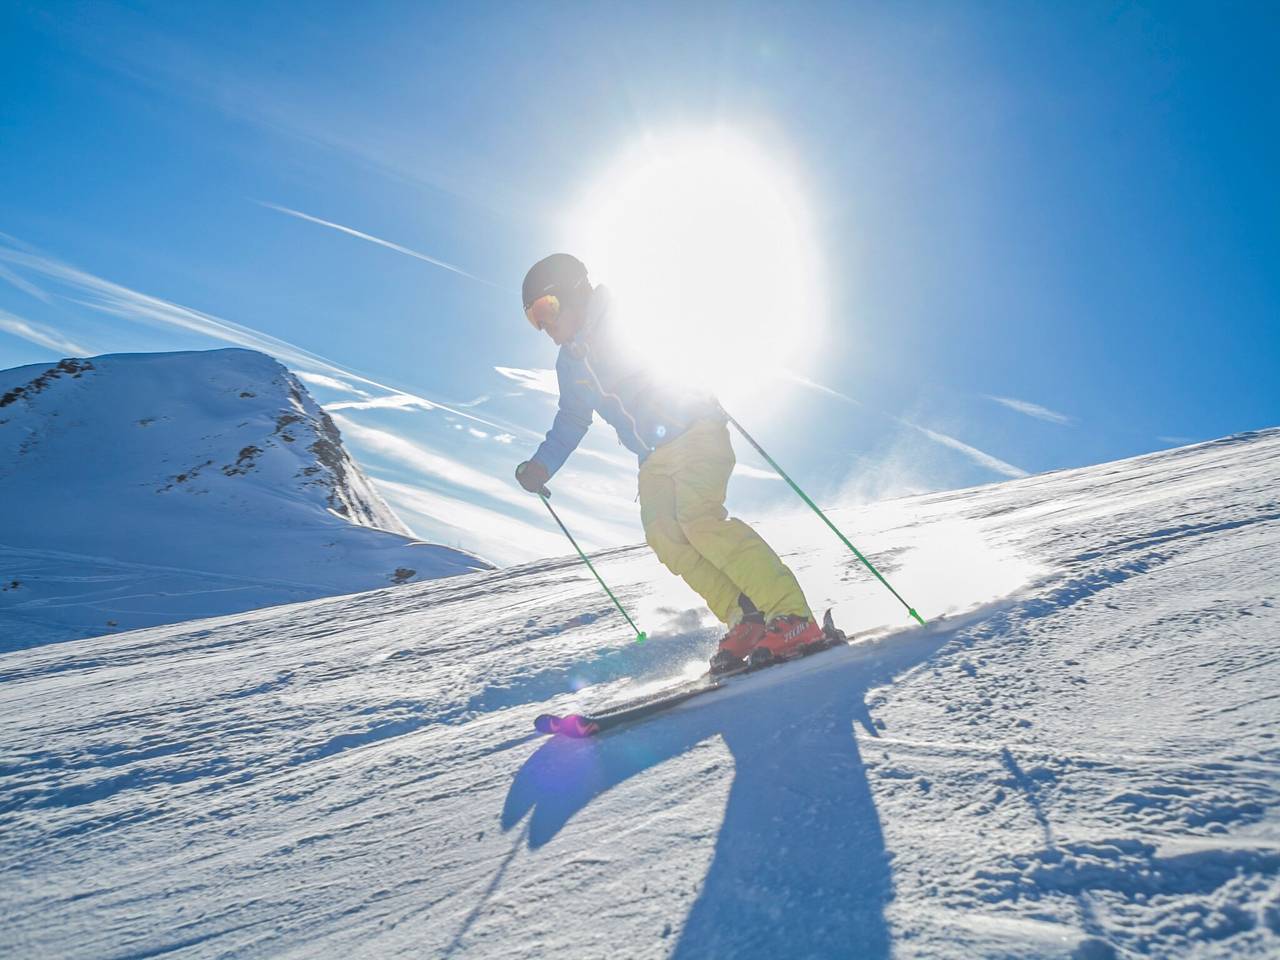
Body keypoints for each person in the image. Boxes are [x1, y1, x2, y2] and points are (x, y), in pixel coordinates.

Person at [515, 253, 824, 672]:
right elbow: (572, 419)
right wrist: (542, 465)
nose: (544, 325)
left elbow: (681, 342)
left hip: (696, 431)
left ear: (575, 292)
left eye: (546, 308)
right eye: (533, 318)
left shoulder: (624, 316)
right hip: (652, 458)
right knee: (664, 534)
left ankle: (792, 615)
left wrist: (699, 387)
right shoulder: (569, 364)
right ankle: (746, 616)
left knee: (699, 520)